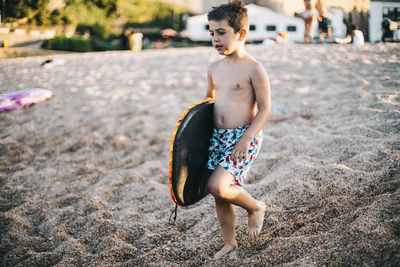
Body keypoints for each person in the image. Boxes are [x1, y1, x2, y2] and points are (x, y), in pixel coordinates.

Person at [205, 1, 271, 259]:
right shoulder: (213, 68)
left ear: (241, 33)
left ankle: (255, 208)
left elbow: (265, 109)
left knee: (219, 186)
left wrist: (246, 139)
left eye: (221, 32)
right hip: (217, 138)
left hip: (243, 137)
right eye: (212, 33)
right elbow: (206, 106)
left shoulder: (254, 68)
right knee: (220, 197)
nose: (215, 39)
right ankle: (230, 243)